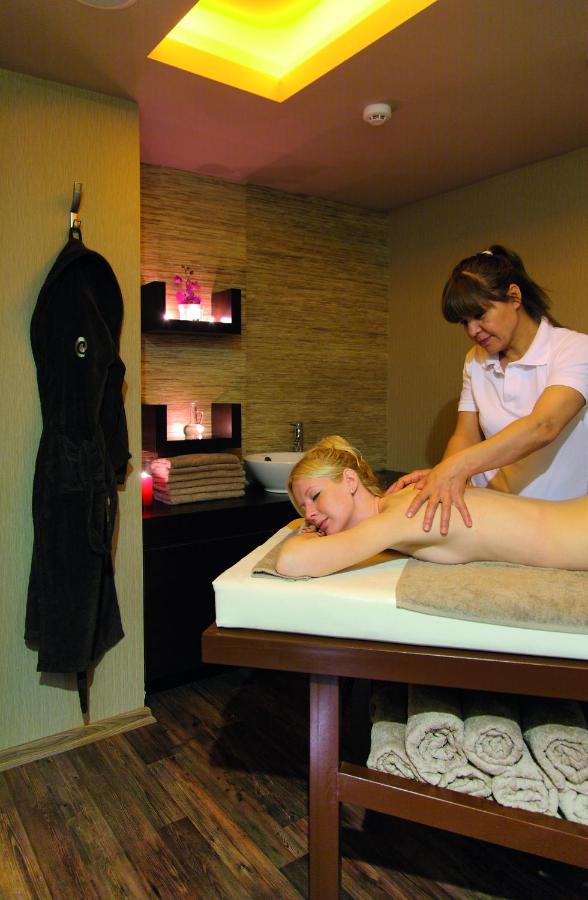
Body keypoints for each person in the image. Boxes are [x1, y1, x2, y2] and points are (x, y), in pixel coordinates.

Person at [389, 245, 588, 535]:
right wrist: (444, 478)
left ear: (514, 297)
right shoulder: (475, 360)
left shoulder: (575, 348)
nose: (472, 331)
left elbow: (543, 425)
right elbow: (465, 435)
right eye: (464, 322)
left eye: (480, 315)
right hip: (493, 514)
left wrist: (457, 467)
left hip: (560, 524)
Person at [275, 436, 588, 578]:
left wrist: (307, 535)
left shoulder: (400, 515)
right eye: (303, 508)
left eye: (315, 496)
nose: (309, 514)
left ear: (349, 480)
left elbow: (291, 561)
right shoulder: (405, 498)